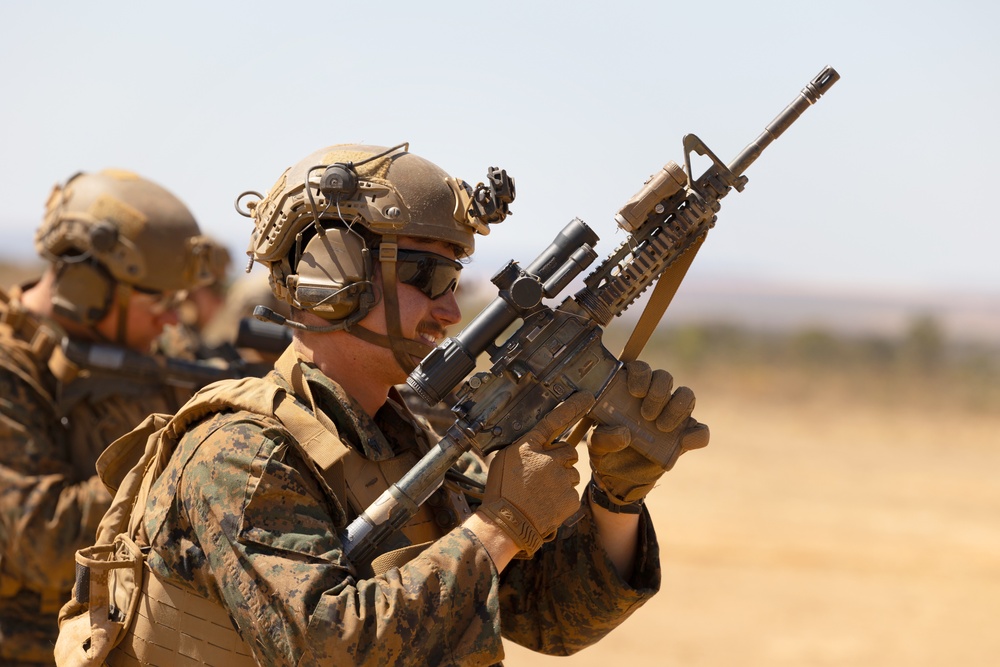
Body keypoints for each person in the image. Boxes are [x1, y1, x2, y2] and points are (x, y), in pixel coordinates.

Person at [58, 144, 710, 666]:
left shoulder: (412, 438)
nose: (451, 308)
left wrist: (614, 502)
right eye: (427, 278)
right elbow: (323, 645)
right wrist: (502, 522)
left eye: (454, 280)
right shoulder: (237, 449)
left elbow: (549, 615)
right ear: (334, 274)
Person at [0, 169, 215, 666]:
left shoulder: (159, 348)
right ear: (85, 286)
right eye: (158, 300)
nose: (170, 320)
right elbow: (42, 539)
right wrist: (174, 457)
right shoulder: (12, 368)